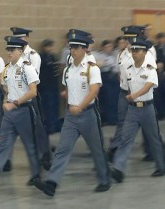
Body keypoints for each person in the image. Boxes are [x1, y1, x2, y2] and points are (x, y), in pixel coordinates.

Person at [34, 31, 110, 197]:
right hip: (71, 116)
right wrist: (67, 94)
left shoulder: (92, 68)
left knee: (96, 149)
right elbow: (67, 86)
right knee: (62, 149)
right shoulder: (69, 69)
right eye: (71, 48)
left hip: (88, 114)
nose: (72, 51)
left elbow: (94, 90)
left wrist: (81, 106)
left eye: (76, 48)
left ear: (84, 49)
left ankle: (104, 178)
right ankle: (52, 183)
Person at [0, 36, 41, 189]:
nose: (9, 52)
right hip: (10, 113)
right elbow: (5, 87)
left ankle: (36, 175)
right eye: (8, 50)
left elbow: (33, 92)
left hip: (24, 111)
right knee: (3, 145)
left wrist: (16, 102)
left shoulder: (27, 68)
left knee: (29, 145)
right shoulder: (7, 68)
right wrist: (6, 101)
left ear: (21, 51)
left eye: (13, 50)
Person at [111, 36, 165, 183]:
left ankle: (161, 166)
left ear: (145, 52)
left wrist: (135, 94)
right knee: (125, 139)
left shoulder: (150, 68)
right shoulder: (129, 69)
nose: (135, 53)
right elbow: (124, 83)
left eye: (138, 50)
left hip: (147, 108)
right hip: (132, 110)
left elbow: (149, 85)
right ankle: (118, 168)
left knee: (153, 138)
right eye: (133, 50)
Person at [10, 27, 51, 170]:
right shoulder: (14, 54)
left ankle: (45, 154)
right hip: (16, 96)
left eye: (21, 38)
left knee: (37, 125)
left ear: (26, 38)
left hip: (29, 95)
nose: (18, 41)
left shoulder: (33, 56)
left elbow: (33, 77)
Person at [94, 39, 119, 125]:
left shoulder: (113, 56)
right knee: (107, 99)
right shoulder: (99, 56)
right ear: (103, 48)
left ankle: (114, 118)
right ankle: (107, 118)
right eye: (107, 47)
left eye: (110, 47)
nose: (109, 48)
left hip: (113, 77)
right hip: (105, 77)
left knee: (114, 99)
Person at [38, 39, 61, 135]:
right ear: (44, 47)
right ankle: (49, 126)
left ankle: (55, 125)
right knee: (48, 107)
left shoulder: (53, 56)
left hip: (54, 85)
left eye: (51, 46)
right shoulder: (41, 57)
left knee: (55, 106)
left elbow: (56, 71)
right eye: (48, 46)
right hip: (45, 86)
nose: (50, 48)